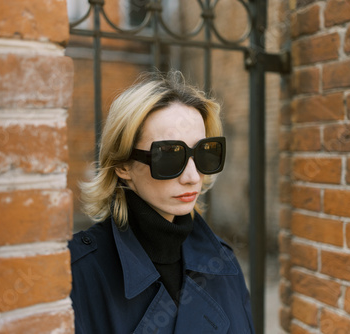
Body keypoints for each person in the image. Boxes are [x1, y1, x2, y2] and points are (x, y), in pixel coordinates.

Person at [68, 71, 254, 334]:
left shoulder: (223, 263)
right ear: (123, 165)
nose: (192, 178)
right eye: (169, 156)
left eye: (204, 153)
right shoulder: (78, 274)